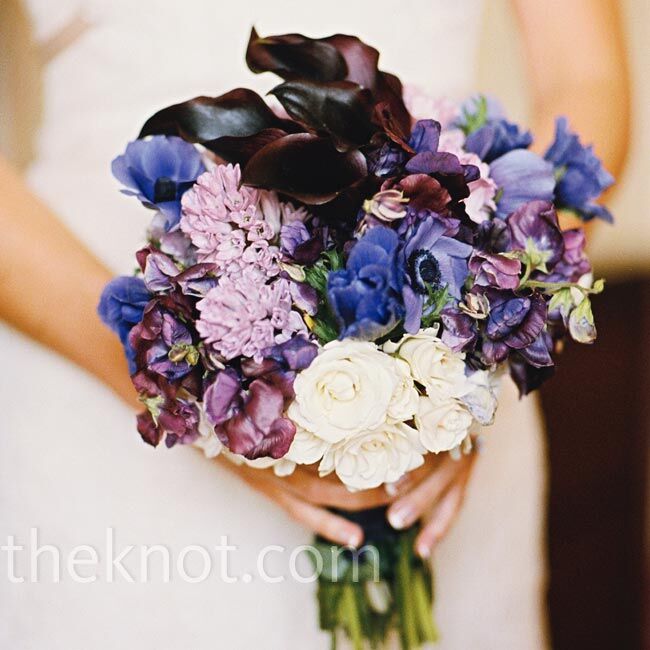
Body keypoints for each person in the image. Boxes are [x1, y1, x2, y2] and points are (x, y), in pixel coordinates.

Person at [0, 1, 629, 648]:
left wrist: (473, 337)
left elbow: (586, 80)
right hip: (99, 396)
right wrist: (171, 374)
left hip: (444, 358)